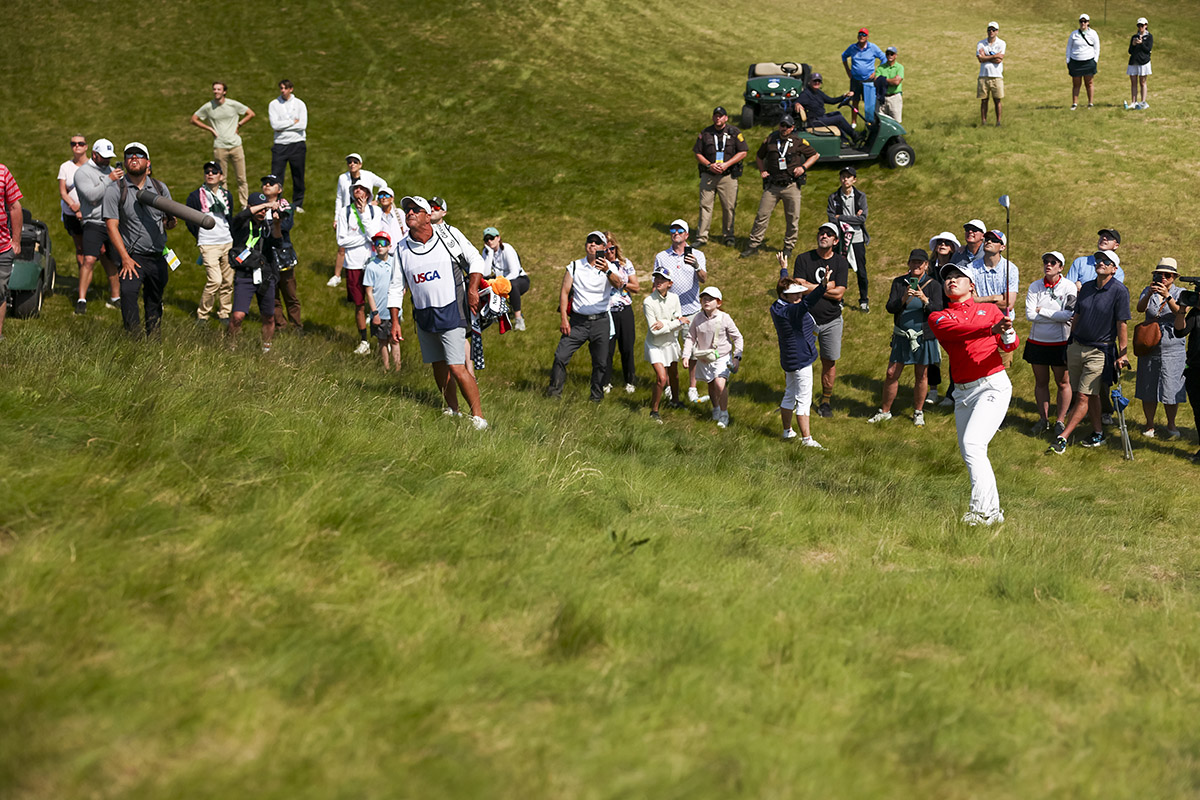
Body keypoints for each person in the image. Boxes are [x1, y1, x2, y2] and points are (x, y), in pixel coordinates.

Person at [929, 262, 1020, 525]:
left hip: (992, 384)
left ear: (972, 285)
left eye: (958, 277)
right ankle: (993, 512)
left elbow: (1011, 344)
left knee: (973, 445)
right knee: (974, 452)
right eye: (947, 278)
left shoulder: (990, 310)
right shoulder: (939, 317)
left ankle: (980, 512)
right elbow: (959, 333)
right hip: (962, 392)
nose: (951, 281)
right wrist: (991, 329)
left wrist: (1007, 330)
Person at [387, 195, 488, 429]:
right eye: (407, 209)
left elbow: (475, 259)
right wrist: (395, 320)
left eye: (415, 209)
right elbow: (395, 286)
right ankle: (453, 410)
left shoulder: (448, 236)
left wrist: (473, 288)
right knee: (438, 365)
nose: (409, 212)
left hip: (452, 312)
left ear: (427, 216)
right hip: (424, 316)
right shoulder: (401, 248)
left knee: (456, 365)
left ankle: (479, 417)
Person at [1049, 250, 1130, 454]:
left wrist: (1123, 353)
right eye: (1098, 260)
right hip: (1077, 346)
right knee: (1089, 394)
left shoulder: (1120, 291)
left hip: (1099, 351)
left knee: (1083, 397)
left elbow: (1122, 324)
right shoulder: (1085, 287)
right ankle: (1098, 433)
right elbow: (1077, 315)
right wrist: (1070, 342)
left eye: (1106, 261)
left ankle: (1062, 438)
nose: (1100, 263)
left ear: (1114, 268)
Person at [102, 143, 177, 337]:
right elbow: (111, 226)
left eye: (139, 155)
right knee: (128, 294)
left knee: (154, 299)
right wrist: (125, 258)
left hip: (158, 255)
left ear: (148, 162)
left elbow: (169, 223)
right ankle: (133, 339)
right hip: (132, 256)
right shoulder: (115, 189)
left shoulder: (160, 188)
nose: (134, 158)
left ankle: (153, 340)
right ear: (125, 162)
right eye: (129, 155)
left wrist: (170, 222)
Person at [547, 231, 626, 402]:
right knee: (561, 356)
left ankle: (596, 397)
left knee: (601, 363)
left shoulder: (610, 267)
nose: (592, 244)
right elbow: (564, 292)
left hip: (601, 321)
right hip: (578, 322)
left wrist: (606, 271)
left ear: (604, 248)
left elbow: (619, 284)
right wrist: (563, 319)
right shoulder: (575, 266)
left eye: (597, 242)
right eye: (590, 241)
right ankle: (554, 394)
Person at [869, 249, 944, 426]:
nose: (916, 265)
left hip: (924, 337)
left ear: (926, 265)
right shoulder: (899, 283)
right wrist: (903, 298)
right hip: (902, 336)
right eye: (913, 262)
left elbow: (939, 311)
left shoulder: (934, 285)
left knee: (921, 374)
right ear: (908, 264)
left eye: (920, 262)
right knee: (891, 373)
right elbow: (890, 307)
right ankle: (885, 411)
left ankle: (918, 412)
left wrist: (925, 300)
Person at [784, 222, 849, 418]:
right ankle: (798, 398)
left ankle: (826, 401)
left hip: (831, 320)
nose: (824, 236)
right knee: (801, 360)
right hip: (805, 319)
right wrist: (825, 287)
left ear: (836, 241)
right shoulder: (804, 259)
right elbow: (798, 288)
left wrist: (810, 286)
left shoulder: (841, 263)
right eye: (821, 233)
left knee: (829, 361)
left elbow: (839, 294)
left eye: (829, 234)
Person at [740, 115, 819, 260]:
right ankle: (753, 245)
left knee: (792, 218)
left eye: (787, 126)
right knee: (761, 215)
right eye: (782, 125)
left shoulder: (798, 141)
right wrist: (762, 170)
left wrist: (803, 167)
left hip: (791, 185)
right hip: (772, 185)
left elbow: (815, 155)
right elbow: (758, 156)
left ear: (792, 128)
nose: (784, 129)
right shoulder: (770, 140)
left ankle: (788, 246)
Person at [770, 273, 829, 447]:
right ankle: (806, 439)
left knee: (789, 394)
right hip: (801, 359)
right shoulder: (792, 310)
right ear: (784, 296)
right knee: (804, 399)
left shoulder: (777, 306)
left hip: (789, 359)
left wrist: (783, 270)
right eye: (794, 294)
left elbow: (785, 287)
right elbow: (808, 302)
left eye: (799, 293)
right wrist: (823, 286)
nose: (799, 296)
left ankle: (787, 431)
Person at [1024, 250, 1077, 437]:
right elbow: (1030, 315)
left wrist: (1042, 311)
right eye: (1046, 261)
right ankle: (1043, 419)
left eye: (1053, 262)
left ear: (1061, 267)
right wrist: (1055, 316)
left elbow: (1069, 315)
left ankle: (1060, 420)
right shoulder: (1035, 286)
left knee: (1063, 382)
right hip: (1037, 342)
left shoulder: (1069, 287)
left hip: (1060, 343)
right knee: (1041, 382)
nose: (1048, 264)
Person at [655, 219, 708, 401]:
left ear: (686, 235)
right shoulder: (662, 256)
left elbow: (703, 279)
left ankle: (692, 387)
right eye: (672, 230)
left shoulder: (698, 255)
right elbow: (657, 283)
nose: (675, 233)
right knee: (669, 349)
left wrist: (696, 266)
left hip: (691, 310)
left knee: (692, 351)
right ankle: (670, 385)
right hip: (669, 312)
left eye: (680, 230)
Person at [1135, 258, 1186, 439]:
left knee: (1170, 387)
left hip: (1173, 348)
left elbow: (1180, 312)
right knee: (1148, 386)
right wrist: (1149, 294)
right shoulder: (1148, 291)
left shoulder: (1181, 292)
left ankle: (1171, 424)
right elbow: (1140, 309)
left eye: (1167, 275)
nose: (1163, 278)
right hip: (1149, 346)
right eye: (1160, 274)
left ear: (1173, 278)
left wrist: (1167, 296)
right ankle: (1150, 424)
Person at [227, 192, 282, 352]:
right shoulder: (241, 225)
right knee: (238, 316)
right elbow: (240, 216)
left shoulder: (268, 226)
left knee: (268, 316)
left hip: (265, 275)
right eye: (260, 209)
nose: (263, 213)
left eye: (265, 211)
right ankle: (231, 345)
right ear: (251, 207)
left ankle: (266, 348)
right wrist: (267, 205)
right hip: (244, 275)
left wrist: (277, 224)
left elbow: (278, 243)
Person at [683, 287, 743, 428]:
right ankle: (715, 408)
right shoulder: (697, 318)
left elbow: (738, 338)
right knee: (710, 383)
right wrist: (685, 355)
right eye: (704, 299)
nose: (706, 301)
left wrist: (737, 357)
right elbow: (690, 337)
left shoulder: (725, 318)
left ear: (719, 302)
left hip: (722, 356)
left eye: (710, 299)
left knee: (719, 383)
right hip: (704, 357)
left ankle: (724, 414)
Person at [184, 161, 234, 326]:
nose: (210, 174)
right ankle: (203, 314)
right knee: (215, 280)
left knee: (227, 281)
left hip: (227, 241)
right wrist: (200, 237)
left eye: (214, 171)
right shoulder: (195, 196)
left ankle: (224, 313)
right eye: (207, 172)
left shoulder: (227, 195)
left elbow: (229, 217)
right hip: (208, 243)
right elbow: (190, 220)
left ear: (221, 175)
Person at [190, 81, 254, 207]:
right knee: (221, 179)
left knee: (241, 178)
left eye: (218, 89)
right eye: (214, 89)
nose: (216, 91)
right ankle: (225, 204)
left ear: (224, 91)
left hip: (236, 145)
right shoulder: (209, 107)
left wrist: (239, 125)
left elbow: (251, 113)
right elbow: (193, 119)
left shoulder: (233, 104)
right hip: (220, 146)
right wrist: (210, 129)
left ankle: (244, 205)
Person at [337, 182, 383, 354]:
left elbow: (375, 236)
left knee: (377, 304)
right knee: (359, 304)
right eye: (355, 188)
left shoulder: (375, 211)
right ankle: (364, 341)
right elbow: (341, 241)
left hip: (373, 262)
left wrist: (364, 214)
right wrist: (364, 239)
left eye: (362, 188)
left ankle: (381, 340)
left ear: (368, 193)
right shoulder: (345, 211)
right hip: (353, 264)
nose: (358, 191)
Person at [693, 106, 748, 248]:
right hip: (709, 175)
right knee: (705, 206)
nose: (718, 118)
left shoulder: (734, 132)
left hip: (727, 176)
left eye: (721, 116)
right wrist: (709, 165)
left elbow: (743, 152)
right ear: (713, 117)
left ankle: (729, 236)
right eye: (716, 116)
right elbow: (698, 153)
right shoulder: (705, 133)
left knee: (728, 207)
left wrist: (727, 164)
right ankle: (701, 237)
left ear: (726, 118)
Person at [329, 154, 387, 287]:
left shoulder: (368, 175)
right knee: (342, 247)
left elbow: (383, 183)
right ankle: (337, 275)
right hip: (349, 213)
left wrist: (376, 201)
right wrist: (336, 217)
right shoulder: (343, 178)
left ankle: (368, 276)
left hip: (365, 211)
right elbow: (339, 198)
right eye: (349, 162)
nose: (352, 164)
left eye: (355, 162)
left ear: (360, 164)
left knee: (369, 241)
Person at [643, 267, 687, 422]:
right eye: (656, 278)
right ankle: (654, 411)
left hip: (671, 342)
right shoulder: (648, 301)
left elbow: (680, 322)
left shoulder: (674, 298)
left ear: (670, 283)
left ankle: (675, 401)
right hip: (655, 345)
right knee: (662, 378)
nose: (658, 281)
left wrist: (665, 323)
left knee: (674, 374)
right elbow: (654, 331)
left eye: (662, 279)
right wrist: (674, 323)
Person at [826, 166, 870, 312]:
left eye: (849, 176)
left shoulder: (860, 196)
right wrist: (853, 218)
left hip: (857, 239)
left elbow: (862, 219)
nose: (845, 179)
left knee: (861, 271)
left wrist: (842, 217)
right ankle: (838, 299)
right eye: (843, 176)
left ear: (854, 179)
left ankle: (864, 300)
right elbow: (832, 219)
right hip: (840, 239)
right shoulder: (833, 197)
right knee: (839, 270)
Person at [927, 231, 964, 405]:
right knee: (932, 354)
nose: (942, 245)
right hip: (931, 314)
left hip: (950, 314)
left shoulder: (955, 269)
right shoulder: (928, 268)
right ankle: (933, 390)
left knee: (953, 356)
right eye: (940, 242)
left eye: (947, 243)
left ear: (952, 248)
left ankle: (951, 393)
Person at [261, 174, 301, 333]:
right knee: (272, 294)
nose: (267, 185)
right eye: (264, 184)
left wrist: (271, 220)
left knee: (290, 293)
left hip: (283, 256)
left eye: (271, 183)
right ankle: (280, 325)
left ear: (280, 189)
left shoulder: (286, 206)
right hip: (266, 255)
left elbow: (286, 226)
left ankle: (296, 326)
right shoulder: (259, 206)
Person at [600, 230, 638, 393]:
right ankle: (605, 381)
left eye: (612, 249)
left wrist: (622, 284)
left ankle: (630, 380)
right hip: (607, 309)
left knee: (627, 347)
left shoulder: (625, 264)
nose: (609, 253)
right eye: (606, 250)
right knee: (607, 348)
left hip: (624, 308)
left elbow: (636, 287)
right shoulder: (599, 265)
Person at [364, 231, 402, 372]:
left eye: (383, 243)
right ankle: (386, 368)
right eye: (377, 244)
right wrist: (375, 313)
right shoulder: (371, 266)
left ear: (389, 246)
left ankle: (397, 369)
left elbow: (402, 282)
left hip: (394, 310)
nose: (380, 246)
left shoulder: (395, 263)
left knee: (395, 340)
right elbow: (369, 292)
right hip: (379, 312)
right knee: (382, 341)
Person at [268, 79, 307, 211]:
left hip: (297, 143)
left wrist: (283, 125)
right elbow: (275, 126)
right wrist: (292, 122)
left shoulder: (300, 104)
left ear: (291, 89)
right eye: (281, 88)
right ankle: (277, 203)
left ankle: (298, 203)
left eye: (285, 88)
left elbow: (302, 125)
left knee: (298, 174)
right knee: (277, 175)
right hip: (280, 144)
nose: (283, 91)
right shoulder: (274, 104)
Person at [480, 226, 529, 331]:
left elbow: (514, 272)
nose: (489, 241)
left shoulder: (507, 249)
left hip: (520, 279)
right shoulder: (487, 251)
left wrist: (500, 282)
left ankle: (519, 319)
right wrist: (490, 254)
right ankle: (488, 316)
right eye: (486, 239)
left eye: (492, 238)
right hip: (500, 279)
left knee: (513, 286)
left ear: (498, 238)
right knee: (483, 285)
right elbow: (485, 273)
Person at [1172, 291, 1200, 462]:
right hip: (1195, 369)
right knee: (1198, 410)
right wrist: (1182, 309)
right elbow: (1179, 332)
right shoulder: (1195, 314)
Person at [793, 73, 856, 144]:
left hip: (820, 118)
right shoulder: (806, 94)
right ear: (809, 82)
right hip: (813, 121)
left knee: (837, 114)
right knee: (839, 119)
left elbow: (831, 101)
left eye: (819, 81)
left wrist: (844, 96)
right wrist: (797, 104)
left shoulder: (818, 92)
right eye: (815, 81)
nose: (817, 83)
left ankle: (844, 140)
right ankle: (855, 136)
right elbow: (794, 103)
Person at [0, 163, 24, 342]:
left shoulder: (3, 172)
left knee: (0, 292)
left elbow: (15, 207)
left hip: (2, 247)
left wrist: (15, 241)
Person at [841, 27, 885, 122]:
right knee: (854, 101)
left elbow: (883, 58)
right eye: (860, 34)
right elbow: (844, 56)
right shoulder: (853, 48)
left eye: (864, 35)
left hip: (868, 81)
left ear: (867, 37)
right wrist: (848, 70)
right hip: (855, 79)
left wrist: (876, 72)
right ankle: (854, 123)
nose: (862, 36)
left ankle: (869, 122)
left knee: (869, 103)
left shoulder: (873, 48)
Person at [59, 134, 88, 275]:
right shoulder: (65, 167)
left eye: (80, 143)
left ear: (86, 146)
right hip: (71, 213)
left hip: (90, 213)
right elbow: (63, 192)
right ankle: (83, 280)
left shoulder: (93, 166)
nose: (77, 146)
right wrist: (74, 207)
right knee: (80, 248)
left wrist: (82, 208)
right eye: (73, 143)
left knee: (101, 250)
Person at [1067, 14, 1100, 110]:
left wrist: (1095, 60)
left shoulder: (1093, 34)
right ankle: (1074, 103)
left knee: (1089, 82)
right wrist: (1068, 60)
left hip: (1088, 61)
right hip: (1075, 61)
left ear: (1088, 23)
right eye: (1081, 21)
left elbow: (1097, 47)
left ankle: (1090, 103)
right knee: (1076, 83)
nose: (1083, 23)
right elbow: (1069, 47)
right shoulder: (1074, 34)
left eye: (1085, 21)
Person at [977, 22, 1006, 126]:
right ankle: (983, 121)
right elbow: (980, 59)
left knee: (997, 100)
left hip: (997, 76)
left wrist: (985, 57)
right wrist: (994, 56)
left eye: (993, 30)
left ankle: (998, 122)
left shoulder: (1001, 43)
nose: (991, 32)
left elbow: (999, 59)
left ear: (997, 31)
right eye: (989, 29)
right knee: (984, 100)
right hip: (983, 76)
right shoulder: (981, 43)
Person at [1126, 18, 1152, 110]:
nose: (1140, 27)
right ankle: (1134, 102)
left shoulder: (1149, 37)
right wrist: (1133, 44)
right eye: (1139, 26)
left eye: (1142, 25)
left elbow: (1148, 49)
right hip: (1134, 62)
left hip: (1143, 62)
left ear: (1146, 26)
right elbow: (1130, 51)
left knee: (1142, 82)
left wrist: (1141, 44)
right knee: (1133, 82)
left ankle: (1143, 102)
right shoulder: (1134, 37)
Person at [876, 47, 904, 123]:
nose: (889, 56)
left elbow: (896, 82)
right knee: (881, 122)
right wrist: (891, 80)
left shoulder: (899, 67)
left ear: (896, 55)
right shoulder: (880, 67)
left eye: (892, 54)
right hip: (882, 98)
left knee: (896, 122)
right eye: (887, 54)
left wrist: (882, 80)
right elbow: (876, 81)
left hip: (894, 98)